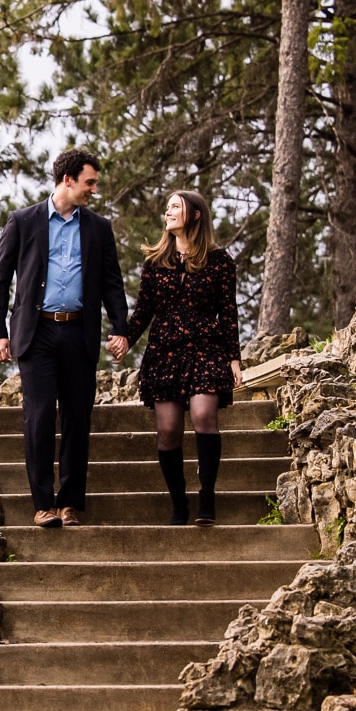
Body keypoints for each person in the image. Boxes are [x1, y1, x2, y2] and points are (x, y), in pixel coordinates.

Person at [0, 147, 130, 528]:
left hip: (80, 331)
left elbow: (113, 284)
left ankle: (69, 504)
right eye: (89, 182)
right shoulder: (23, 221)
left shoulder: (98, 228)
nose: (93, 190)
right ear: (67, 179)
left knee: (78, 419)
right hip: (37, 333)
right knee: (38, 417)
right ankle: (42, 505)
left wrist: (120, 328)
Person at [121, 190, 242, 526]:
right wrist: (126, 341)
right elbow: (143, 311)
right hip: (165, 352)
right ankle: (179, 503)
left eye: (176, 206)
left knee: (204, 415)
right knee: (169, 430)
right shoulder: (154, 262)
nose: (168, 212)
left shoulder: (220, 261)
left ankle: (207, 495)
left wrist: (234, 359)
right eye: (167, 207)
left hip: (206, 347)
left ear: (196, 215)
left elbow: (228, 312)